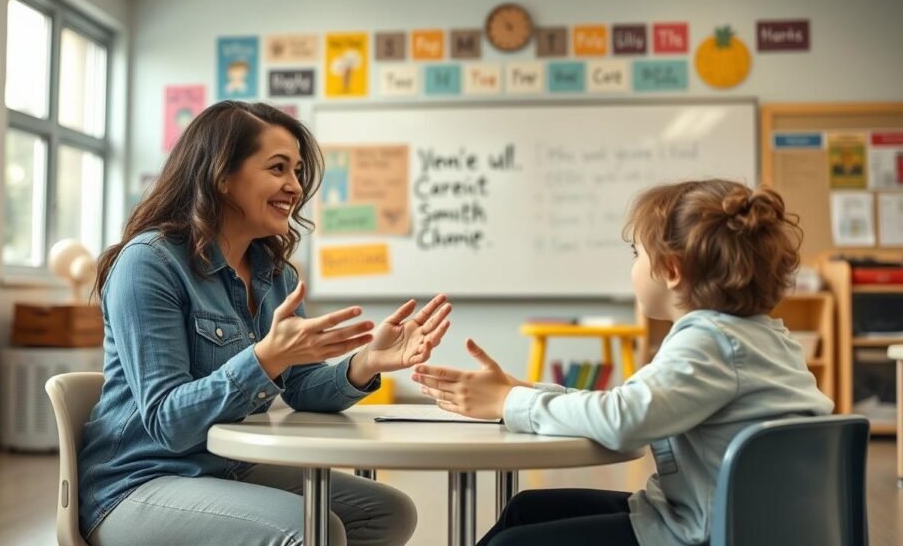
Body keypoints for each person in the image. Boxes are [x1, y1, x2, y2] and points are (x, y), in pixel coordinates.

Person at [79, 101, 452, 546]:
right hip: (138, 484)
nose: (294, 187)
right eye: (278, 169)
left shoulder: (275, 273)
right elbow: (168, 422)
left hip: (225, 470)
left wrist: (365, 363)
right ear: (222, 177)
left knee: (387, 512)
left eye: (297, 171)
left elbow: (300, 387)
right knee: (312, 530)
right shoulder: (150, 263)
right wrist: (265, 357)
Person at [413, 179, 833, 546]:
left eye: (637, 253)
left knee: (514, 542)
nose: (633, 265)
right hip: (725, 519)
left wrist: (509, 404)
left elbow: (622, 419)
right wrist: (518, 392)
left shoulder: (709, 341)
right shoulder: (760, 337)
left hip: (704, 532)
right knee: (526, 508)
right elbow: (628, 402)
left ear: (670, 269)